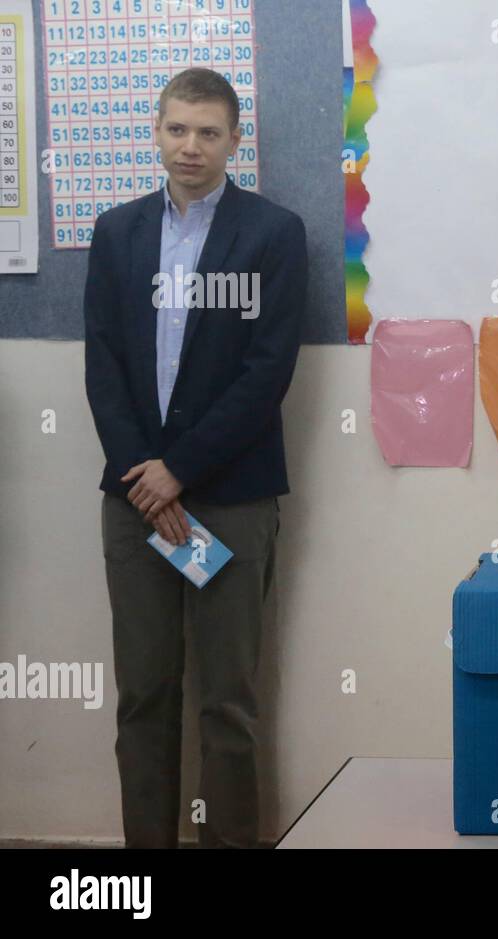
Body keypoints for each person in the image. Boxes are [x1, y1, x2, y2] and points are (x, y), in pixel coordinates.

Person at [84, 67, 307, 847]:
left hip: (230, 500)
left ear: (234, 140)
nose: (190, 146)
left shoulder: (273, 234)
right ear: (156, 131)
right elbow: (104, 364)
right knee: (144, 694)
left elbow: (266, 372)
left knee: (229, 701)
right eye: (177, 128)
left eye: (208, 132)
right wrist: (145, 474)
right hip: (135, 501)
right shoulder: (117, 232)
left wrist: (179, 469)